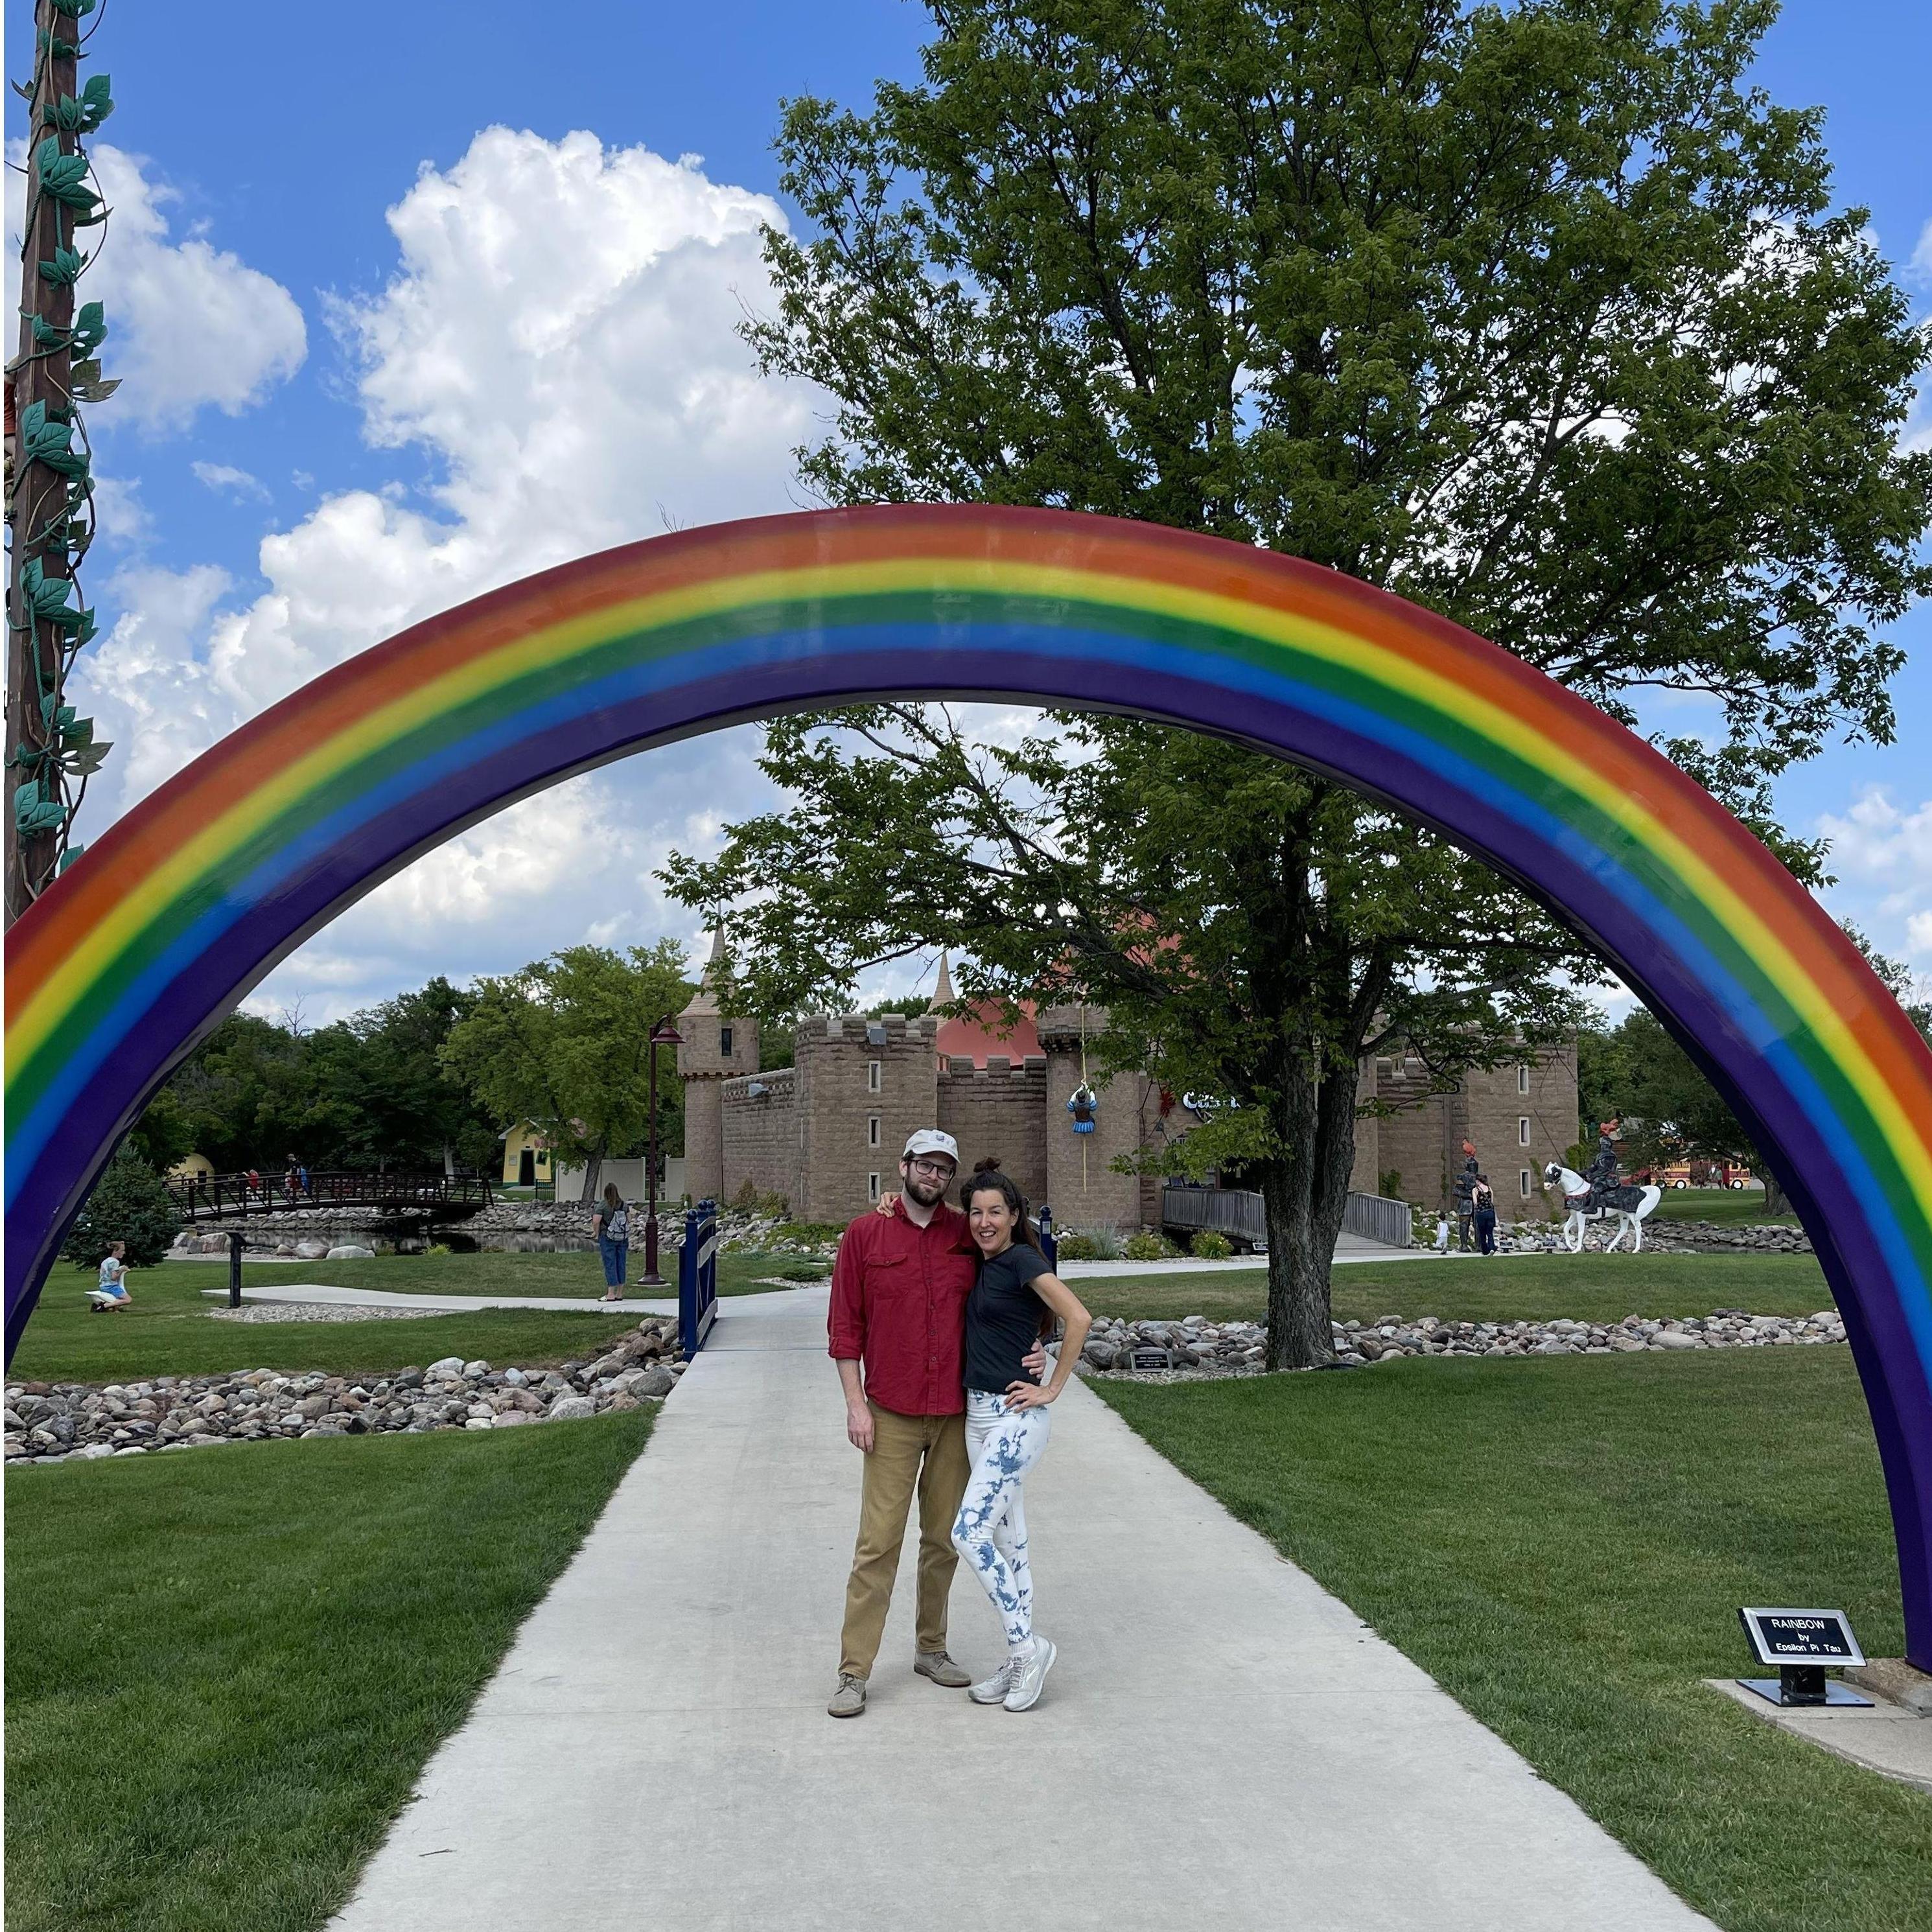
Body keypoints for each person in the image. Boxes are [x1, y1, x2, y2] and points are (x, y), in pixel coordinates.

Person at [826, 1128, 1045, 1720]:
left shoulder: (964, 1233)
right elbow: (844, 1328)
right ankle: (853, 1672)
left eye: (943, 1168)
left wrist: (1036, 1345)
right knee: (878, 1544)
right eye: (924, 1164)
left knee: (943, 1541)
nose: (933, 1175)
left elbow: (1018, 1285)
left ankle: (931, 1648)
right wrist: (855, 1404)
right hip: (890, 1412)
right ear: (903, 1166)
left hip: (956, 1413)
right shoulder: (865, 1233)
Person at [951, 1159, 1092, 1712]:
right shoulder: (984, 1262)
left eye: (995, 1212)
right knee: (1010, 1542)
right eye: (976, 1212)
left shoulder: (1021, 1259)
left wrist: (1053, 1385)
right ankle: (1019, 1660)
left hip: (1014, 1419)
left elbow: (1077, 1317)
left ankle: (1026, 1648)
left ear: (1014, 1216)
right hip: (978, 1417)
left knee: (968, 1533)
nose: (984, 1221)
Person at [592, 1183, 629, 1299]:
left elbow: (596, 1221)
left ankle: (610, 1293)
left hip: (607, 1237)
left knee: (610, 1264)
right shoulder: (623, 1205)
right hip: (622, 1238)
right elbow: (629, 1219)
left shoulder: (603, 1205)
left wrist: (596, 1233)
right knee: (621, 1264)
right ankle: (619, 1293)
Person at [87, 1241, 132, 1313]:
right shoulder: (115, 1262)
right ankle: (103, 1307)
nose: (124, 1253)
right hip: (111, 1287)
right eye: (122, 1250)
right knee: (128, 1300)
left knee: (118, 1297)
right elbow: (113, 1277)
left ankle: (114, 1309)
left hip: (103, 1286)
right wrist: (122, 1270)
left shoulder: (106, 1261)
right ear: (115, 1251)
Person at [1453, 1145, 1480, 1251]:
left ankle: (1479, 1245)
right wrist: (1470, 1195)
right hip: (1466, 1204)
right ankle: (1464, 1245)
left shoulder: (1479, 1178)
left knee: (1478, 1226)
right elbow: (1456, 1190)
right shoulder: (1462, 1177)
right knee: (1464, 1226)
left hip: (1477, 1205)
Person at [1471, 1174, 1497, 1255]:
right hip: (1490, 1213)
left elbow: (1475, 1202)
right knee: (1490, 1232)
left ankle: (1485, 1250)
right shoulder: (1490, 1189)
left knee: (1482, 1232)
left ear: (1478, 1181)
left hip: (1481, 1213)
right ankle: (1492, 1248)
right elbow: (1492, 1202)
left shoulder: (1475, 1190)